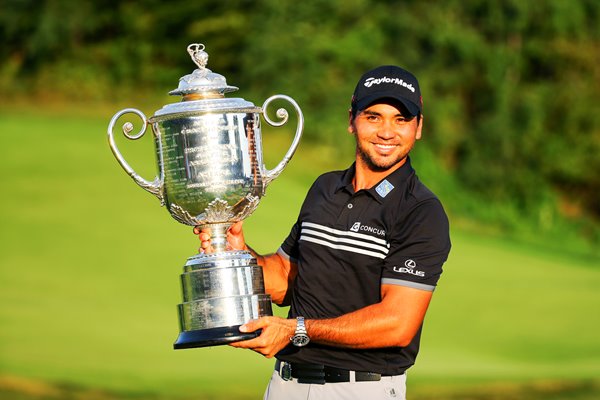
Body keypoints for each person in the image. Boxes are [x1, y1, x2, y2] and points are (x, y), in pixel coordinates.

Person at [196, 65, 451, 400]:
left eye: (401, 119)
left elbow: (397, 323)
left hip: (361, 389)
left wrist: (295, 330)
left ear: (418, 128)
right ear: (352, 120)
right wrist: (238, 252)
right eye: (373, 116)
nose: (387, 131)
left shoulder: (420, 210)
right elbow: (287, 278)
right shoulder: (325, 188)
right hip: (285, 385)